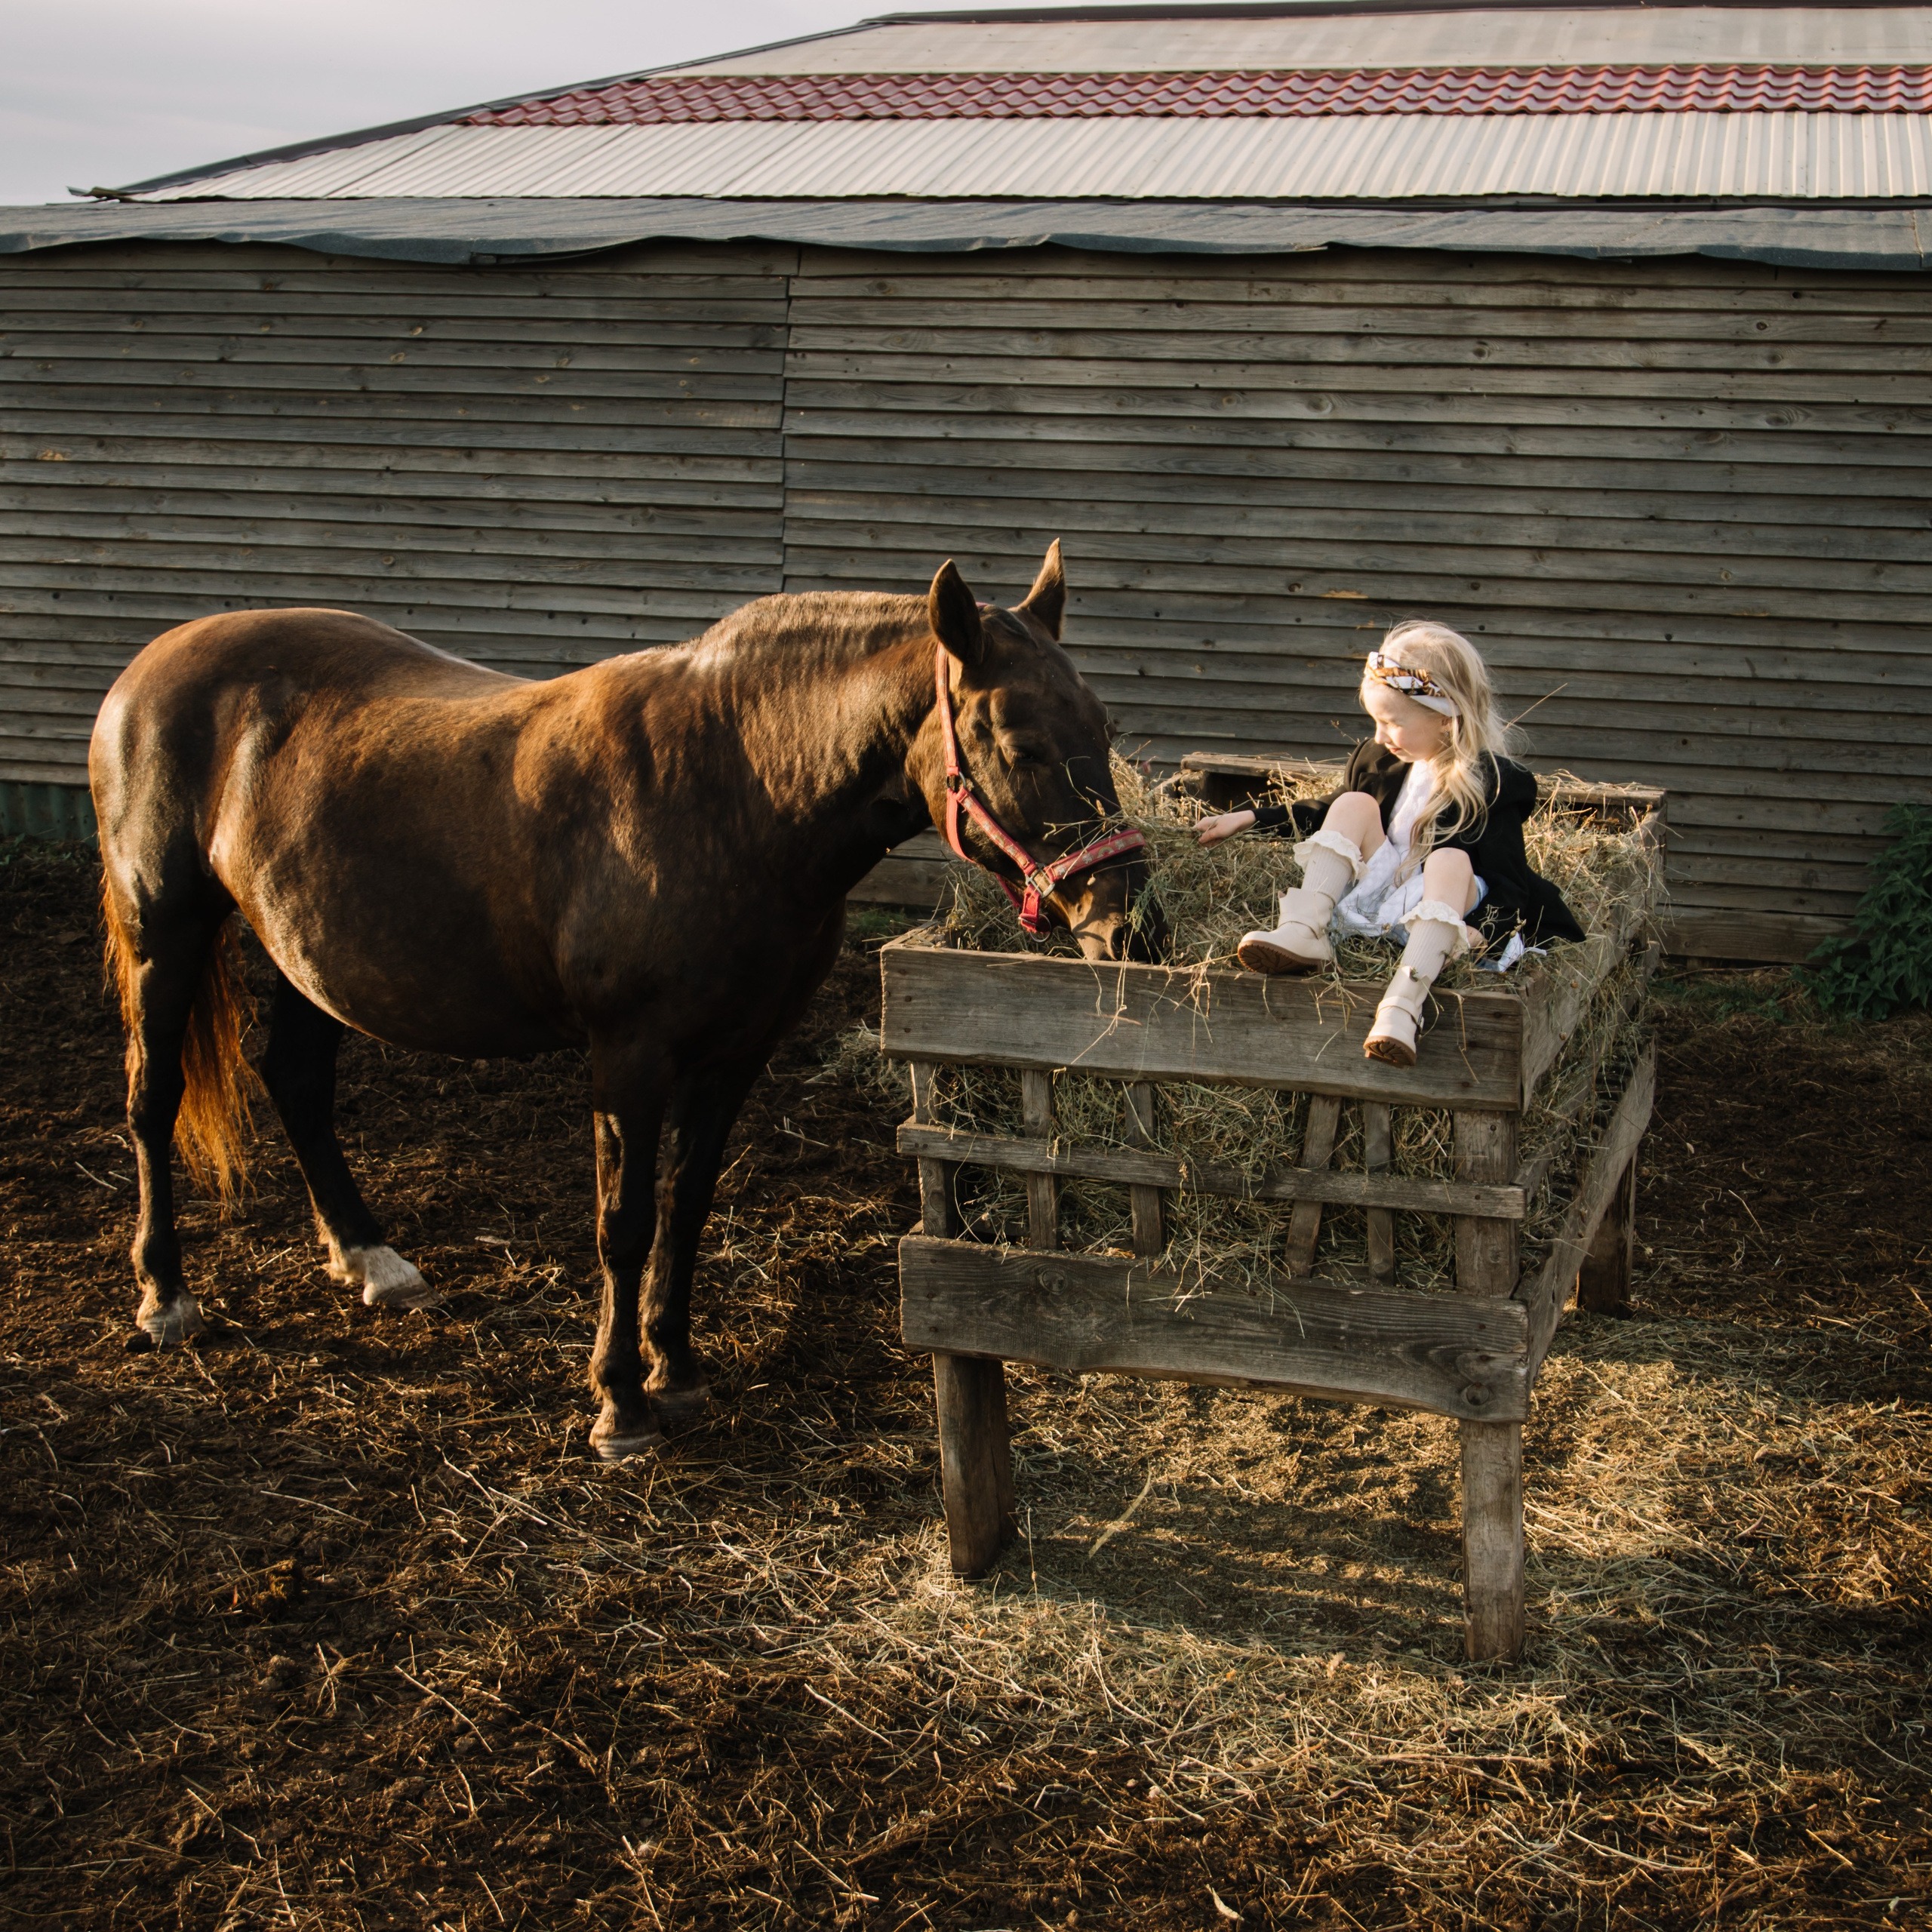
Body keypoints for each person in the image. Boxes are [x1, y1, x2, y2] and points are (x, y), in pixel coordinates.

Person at [1195, 621, 1585, 1067]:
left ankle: (1402, 1004)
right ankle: (1304, 931)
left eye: (1392, 723)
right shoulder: (1376, 758)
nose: (1379, 736)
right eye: (1376, 721)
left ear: (1445, 717)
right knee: (1354, 803)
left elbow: (1509, 882)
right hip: (1376, 893)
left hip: (1438, 914)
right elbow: (1323, 813)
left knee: (1450, 858)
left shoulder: (1494, 783)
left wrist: (1482, 934)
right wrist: (1249, 818)